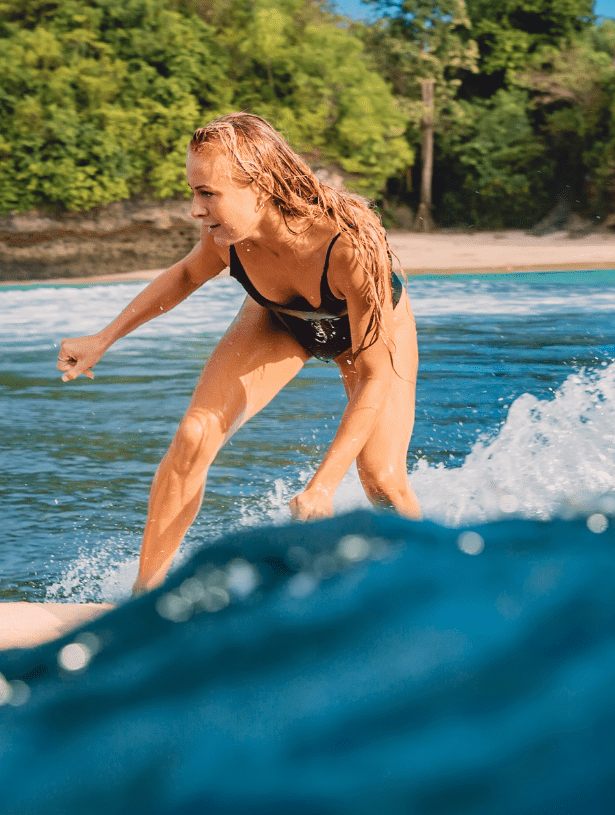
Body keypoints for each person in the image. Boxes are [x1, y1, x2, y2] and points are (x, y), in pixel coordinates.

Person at [58, 112, 421, 594]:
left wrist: (323, 486)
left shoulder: (349, 245)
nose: (194, 209)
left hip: (367, 337)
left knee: (381, 478)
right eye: (193, 191)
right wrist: (103, 338)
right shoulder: (226, 241)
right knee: (193, 434)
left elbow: (374, 376)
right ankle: (143, 600)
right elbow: (185, 276)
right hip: (281, 323)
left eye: (207, 194)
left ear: (262, 185)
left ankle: (435, 583)